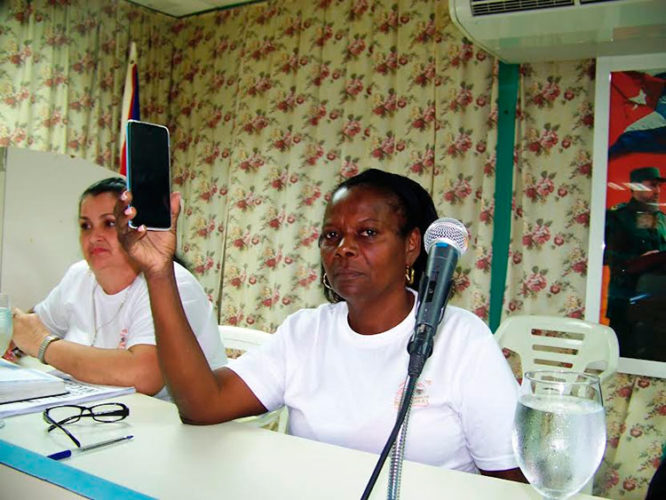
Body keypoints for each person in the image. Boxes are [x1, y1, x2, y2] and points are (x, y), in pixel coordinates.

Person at [115, 168, 523, 480]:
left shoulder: (460, 339)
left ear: (412, 245)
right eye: (331, 235)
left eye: (367, 233)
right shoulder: (304, 333)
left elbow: (511, 482)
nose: (343, 248)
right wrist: (158, 271)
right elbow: (202, 404)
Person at [9, 177, 226, 399]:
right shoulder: (80, 275)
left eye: (109, 223)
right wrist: (13, 337)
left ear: (136, 228)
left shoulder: (170, 282)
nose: (94, 237)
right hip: (100, 413)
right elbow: (34, 325)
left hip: (175, 423)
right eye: (85, 226)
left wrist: (43, 345)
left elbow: (144, 376)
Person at [604, 166, 666, 359]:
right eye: (652, 186)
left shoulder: (662, 220)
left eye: (659, 187)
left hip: (657, 307)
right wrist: (640, 261)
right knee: (624, 357)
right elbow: (608, 257)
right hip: (625, 302)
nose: (657, 191)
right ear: (636, 187)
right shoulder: (618, 217)